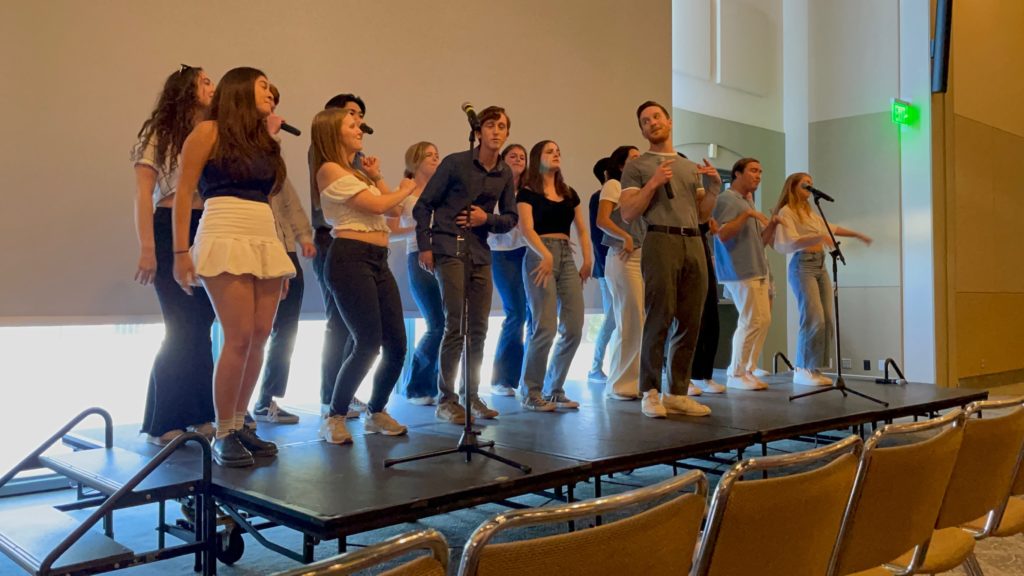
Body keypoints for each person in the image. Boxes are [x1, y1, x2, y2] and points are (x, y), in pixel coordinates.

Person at [173, 67, 295, 467]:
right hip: (224, 228)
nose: (271, 94)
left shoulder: (264, 140)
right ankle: (223, 430)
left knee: (261, 335)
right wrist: (180, 253)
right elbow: (183, 193)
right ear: (241, 90)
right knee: (238, 336)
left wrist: (276, 251)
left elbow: (272, 198)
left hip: (262, 233)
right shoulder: (208, 132)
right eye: (263, 86)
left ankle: (242, 423)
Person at [312, 108, 414, 443]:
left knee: (397, 343)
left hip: (377, 259)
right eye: (352, 125)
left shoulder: (358, 173)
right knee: (367, 343)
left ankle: (377, 411)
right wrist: (404, 186)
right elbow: (379, 206)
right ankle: (335, 415)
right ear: (333, 132)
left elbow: (394, 209)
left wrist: (379, 176)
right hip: (349, 259)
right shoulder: (328, 169)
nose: (360, 129)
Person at [412, 106, 518, 425]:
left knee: (480, 328)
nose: (496, 131)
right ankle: (447, 399)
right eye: (490, 125)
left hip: (480, 252)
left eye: (502, 126)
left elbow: (510, 218)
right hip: (448, 245)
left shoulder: (504, 174)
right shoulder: (456, 163)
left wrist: (488, 219)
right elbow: (423, 206)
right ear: (478, 131)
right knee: (454, 323)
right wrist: (425, 247)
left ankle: (471, 395)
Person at [132, 64, 216, 446]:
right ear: (185, 90)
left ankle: (200, 414)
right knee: (181, 328)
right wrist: (148, 249)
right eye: (204, 82)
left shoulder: (213, 132)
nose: (212, 87)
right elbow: (142, 195)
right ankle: (162, 420)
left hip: (209, 225)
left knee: (202, 327)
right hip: (168, 226)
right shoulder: (159, 134)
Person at [619, 101, 718, 418]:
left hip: (693, 240)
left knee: (691, 319)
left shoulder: (689, 167)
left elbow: (701, 215)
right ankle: (650, 391)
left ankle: (677, 392)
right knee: (659, 316)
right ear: (642, 130)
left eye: (656, 117)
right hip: (660, 238)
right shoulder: (637, 165)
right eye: (645, 120)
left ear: (669, 122)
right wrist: (652, 184)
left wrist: (714, 190)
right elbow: (628, 212)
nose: (651, 122)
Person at [772, 172, 872, 386]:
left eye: (811, 184)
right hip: (803, 266)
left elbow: (830, 229)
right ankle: (802, 368)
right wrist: (817, 238)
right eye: (805, 185)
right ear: (793, 187)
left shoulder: (810, 212)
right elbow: (789, 241)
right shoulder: (787, 212)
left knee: (826, 317)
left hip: (820, 264)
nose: (809, 188)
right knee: (813, 317)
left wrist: (856, 234)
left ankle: (815, 368)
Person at [253, 84, 315, 425]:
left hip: (284, 247)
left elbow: (286, 197)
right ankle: (233, 411)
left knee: (286, 328)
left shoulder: (273, 156)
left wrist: (304, 235)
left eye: (275, 100)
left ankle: (267, 398)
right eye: (266, 98)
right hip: (257, 247)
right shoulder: (243, 148)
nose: (272, 105)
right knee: (251, 331)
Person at [517, 140, 592, 411]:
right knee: (545, 326)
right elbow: (526, 229)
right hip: (540, 256)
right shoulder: (527, 192)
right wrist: (545, 255)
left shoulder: (568, 193)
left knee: (573, 326)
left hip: (566, 256)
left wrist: (588, 257)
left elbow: (582, 229)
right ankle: (531, 391)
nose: (556, 154)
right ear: (538, 158)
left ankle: (554, 388)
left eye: (558, 150)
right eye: (550, 151)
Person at [308, 94, 367, 420]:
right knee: (338, 322)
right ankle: (330, 394)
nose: (357, 122)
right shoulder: (327, 156)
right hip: (331, 238)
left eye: (359, 116)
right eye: (350, 115)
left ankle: (343, 392)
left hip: (357, 242)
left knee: (353, 324)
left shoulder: (356, 159)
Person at [389, 141, 443, 405]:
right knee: (436, 325)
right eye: (429, 155)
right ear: (416, 161)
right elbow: (390, 228)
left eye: (437, 154)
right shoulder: (406, 189)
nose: (435, 158)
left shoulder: (442, 190)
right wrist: (420, 233)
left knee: (447, 325)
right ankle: (416, 387)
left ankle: (435, 385)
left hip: (445, 258)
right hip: (418, 256)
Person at [712, 158, 772, 391]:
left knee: (763, 320)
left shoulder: (747, 201)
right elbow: (723, 234)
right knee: (750, 320)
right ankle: (735, 373)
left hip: (756, 266)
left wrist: (772, 223)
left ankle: (747, 368)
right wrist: (747, 215)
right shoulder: (727, 199)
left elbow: (759, 241)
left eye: (760, 171)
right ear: (737, 173)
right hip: (739, 269)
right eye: (753, 171)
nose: (758, 175)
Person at [595, 145, 643, 400]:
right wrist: (624, 236)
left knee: (636, 320)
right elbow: (602, 220)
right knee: (629, 319)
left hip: (641, 257)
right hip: (624, 257)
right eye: (633, 158)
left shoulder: (640, 191)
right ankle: (620, 384)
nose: (639, 161)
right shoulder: (614, 184)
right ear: (622, 165)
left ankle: (628, 380)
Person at [488, 144, 530, 397]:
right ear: (503, 160)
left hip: (529, 251)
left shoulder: (529, 191)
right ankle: (502, 379)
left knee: (534, 313)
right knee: (516, 312)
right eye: (512, 156)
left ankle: (530, 377)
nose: (518, 159)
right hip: (502, 253)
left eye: (522, 157)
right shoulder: (493, 187)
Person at [587, 157, 615, 384]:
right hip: (607, 267)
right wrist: (604, 266)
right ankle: (596, 366)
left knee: (618, 318)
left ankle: (609, 366)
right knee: (612, 317)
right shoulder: (599, 198)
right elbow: (598, 236)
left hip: (617, 266)